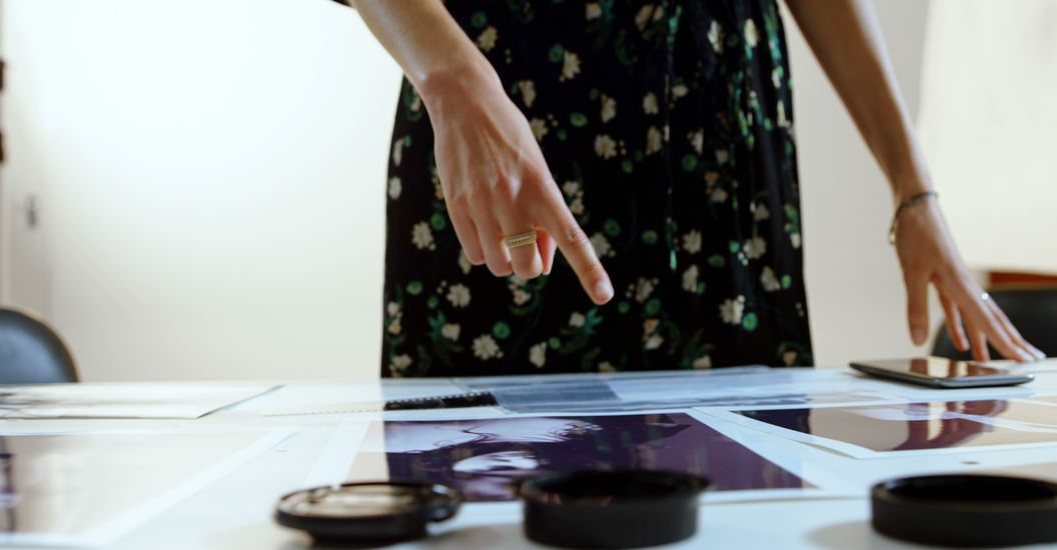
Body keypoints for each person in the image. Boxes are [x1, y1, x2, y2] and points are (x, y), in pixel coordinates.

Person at [344, 0, 1044, 377]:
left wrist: (913, 190)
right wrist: (451, 79)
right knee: (474, 501)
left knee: (732, 506)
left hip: (718, 156)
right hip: (503, 135)